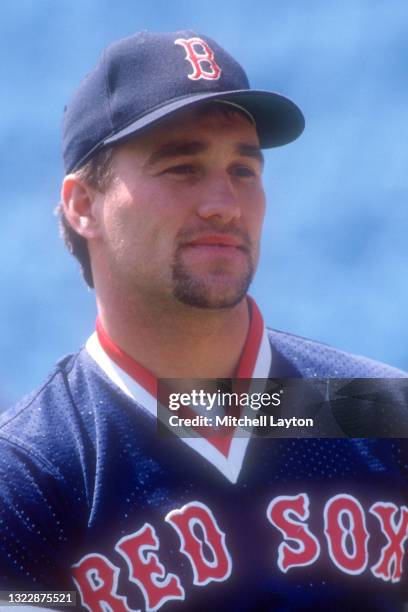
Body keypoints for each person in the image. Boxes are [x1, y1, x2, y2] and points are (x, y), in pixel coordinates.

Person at [1, 30, 407, 612]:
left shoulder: (379, 415)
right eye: (182, 168)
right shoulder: (34, 473)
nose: (224, 203)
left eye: (244, 170)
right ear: (84, 206)